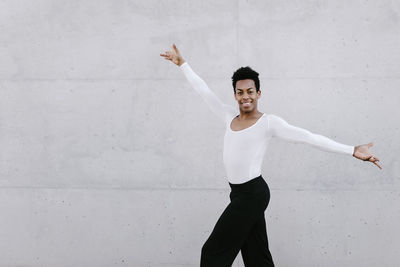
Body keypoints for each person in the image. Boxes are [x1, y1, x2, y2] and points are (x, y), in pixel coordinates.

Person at [160, 44, 382, 267]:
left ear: (258, 93)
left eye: (249, 91)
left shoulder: (268, 123)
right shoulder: (228, 116)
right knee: (257, 256)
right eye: (240, 92)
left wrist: (352, 150)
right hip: (238, 194)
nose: (245, 96)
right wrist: (183, 64)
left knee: (212, 252)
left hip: (253, 194)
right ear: (235, 95)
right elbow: (204, 91)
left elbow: (308, 137)